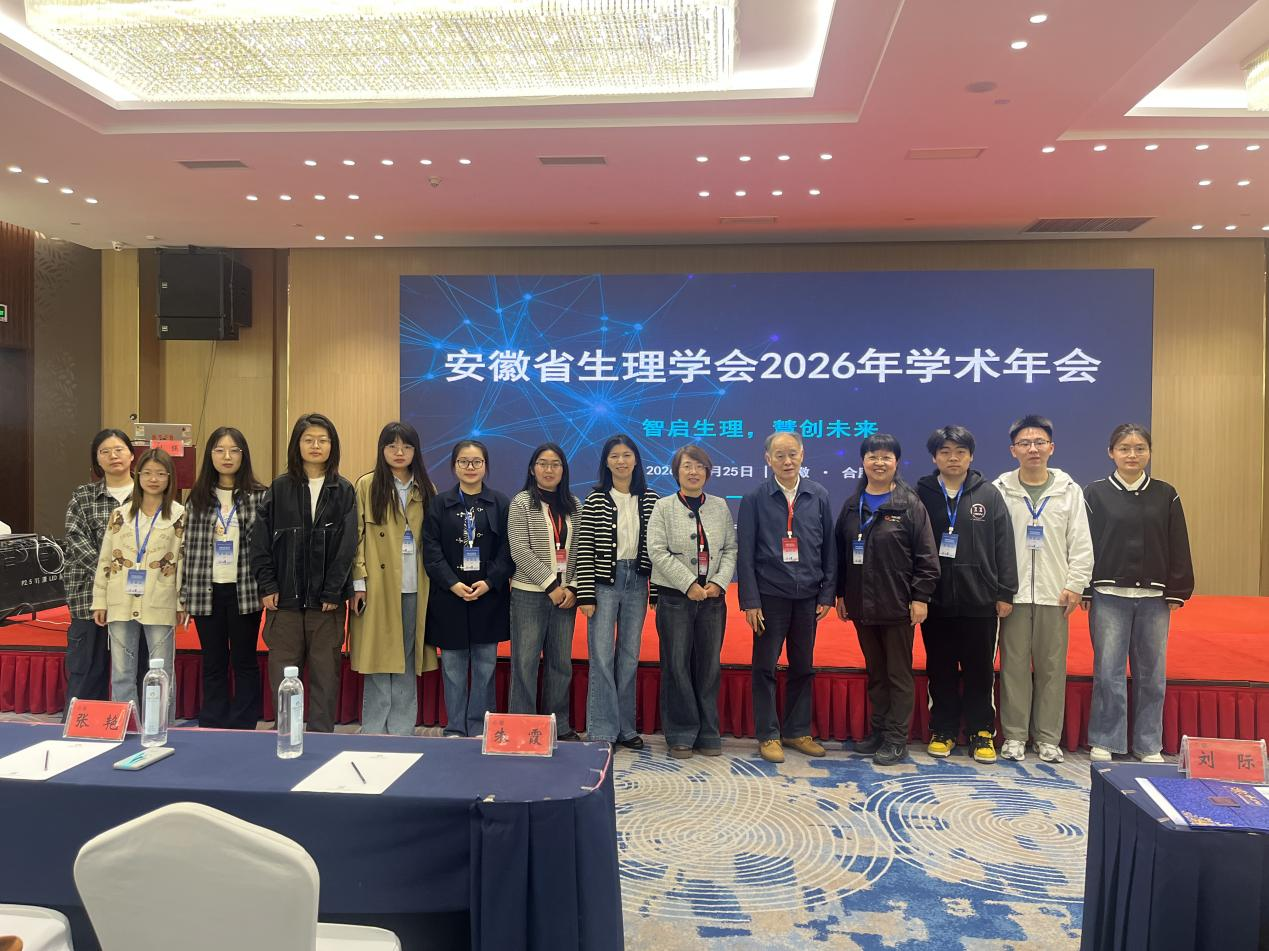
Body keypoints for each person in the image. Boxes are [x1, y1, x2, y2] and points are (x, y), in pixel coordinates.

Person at [1083, 424, 1193, 763]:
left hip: (1154, 599)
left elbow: (1178, 542)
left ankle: (1148, 744)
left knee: (1152, 675)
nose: (1132, 455)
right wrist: (1084, 586)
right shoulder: (1095, 493)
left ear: (1149, 452)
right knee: (1108, 672)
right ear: (1111, 453)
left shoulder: (1165, 494)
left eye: (1140, 448)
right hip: (1108, 595)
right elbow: (1084, 544)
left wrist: (1178, 589)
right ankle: (1106, 739)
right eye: (1124, 448)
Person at [834, 434, 939, 766]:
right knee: (876, 672)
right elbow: (840, 554)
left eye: (886, 457)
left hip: (898, 605)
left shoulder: (909, 504)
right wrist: (841, 593)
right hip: (862, 605)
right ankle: (878, 731)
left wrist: (920, 596)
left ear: (896, 462)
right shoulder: (852, 505)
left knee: (897, 674)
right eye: (872, 456)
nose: (879, 463)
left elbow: (927, 556)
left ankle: (896, 738)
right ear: (862, 462)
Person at [993, 414, 1093, 763]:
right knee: (1014, 667)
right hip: (1014, 594)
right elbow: (993, 544)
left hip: (1055, 593)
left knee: (1052, 668)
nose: (1032, 449)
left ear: (1051, 447)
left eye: (1039, 442)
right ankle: (1015, 736)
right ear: (1013, 450)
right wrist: (1000, 590)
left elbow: (1080, 541)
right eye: (1025, 443)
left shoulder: (1069, 490)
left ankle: (1048, 738)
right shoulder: (1000, 490)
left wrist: (1075, 584)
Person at [915, 426, 1017, 764]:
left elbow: (1004, 545)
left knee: (980, 670)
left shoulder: (989, 494)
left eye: (960, 452)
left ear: (971, 456)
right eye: (945, 452)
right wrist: (917, 592)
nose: (953, 458)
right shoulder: (921, 493)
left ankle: (981, 731)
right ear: (934, 457)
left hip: (980, 600)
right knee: (940, 668)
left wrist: (1005, 591)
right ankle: (943, 730)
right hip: (936, 599)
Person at [251, 413, 357, 733]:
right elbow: (260, 541)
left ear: (332, 446)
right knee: (284, 677)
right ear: (297, 445)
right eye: (308, 440)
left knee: (326, 677)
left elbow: (347, 546)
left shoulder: (343, 490)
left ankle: (322, 740)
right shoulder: (280, 488)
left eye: (323, 440)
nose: (315, 446)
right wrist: (267, 584)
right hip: (284, 601)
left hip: (326, 604)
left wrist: (333, 590)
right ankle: (287, 735)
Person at [737, 431, 837, 764]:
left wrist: (827, 592)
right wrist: (750, 601)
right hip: (769, 596)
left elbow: (830, 548)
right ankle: (768, 734)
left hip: (808, 596)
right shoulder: (755, 498)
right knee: (764, 666)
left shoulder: (818, 495)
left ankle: (797, 731)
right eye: (779, 455)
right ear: (768, 459)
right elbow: (745, 553)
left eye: (792, 453)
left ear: (802, 455)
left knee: (803, 666)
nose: (787, 461)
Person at [647, 445, 737, 759]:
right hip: (675, 598)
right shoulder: (663, 506)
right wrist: (687, 584)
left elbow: (730, 549)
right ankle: (681, 733)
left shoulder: (720, 506)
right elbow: (657, 551)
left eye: (699, 466)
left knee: (709, 666)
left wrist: (718, 582)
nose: (693, 472)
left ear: (707, 472)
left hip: (712, 599)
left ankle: (709, 732)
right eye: (687, 466)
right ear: (677, 472)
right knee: (676, 665)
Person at [350, 422, 438, 736]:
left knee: (408, 658)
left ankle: (402, 730)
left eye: (406, 446)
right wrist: (359, 582)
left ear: (416, 451)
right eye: (392, 446)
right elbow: (356, 538)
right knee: (377, 657)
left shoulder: (426, 488)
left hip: (416, 585)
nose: (399, 452)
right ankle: (374, 729)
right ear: (382, 449)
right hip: (377, 586)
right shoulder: (367, 485)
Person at [423, 439, 513, 738]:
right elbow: (431, 549)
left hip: (489, 597)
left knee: (486, 667)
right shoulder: (440, 504)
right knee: (453, 668)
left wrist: (490, 581)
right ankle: (455, 727)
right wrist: (452, 583)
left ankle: (480, 726)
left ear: (485, 466)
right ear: (454, 466)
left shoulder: (500, 503)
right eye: (464, 461)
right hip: (450, 597)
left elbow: (508, 549)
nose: (470, 467)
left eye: (476, 462)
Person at [574, 435, 659, 749]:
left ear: (636, 460)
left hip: (637, 582)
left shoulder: (651, 499)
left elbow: (658, 549)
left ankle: (626, 728)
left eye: (626, 455)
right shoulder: (596, 499)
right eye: (614, 456)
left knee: (629, 656)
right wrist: (585, 594)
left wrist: (655, 592)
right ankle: (602, 729)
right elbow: (584, 547)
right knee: (601, 655)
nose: (621, 461)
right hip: (603, 584)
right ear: (606, 462)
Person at [181, 427, 267, 729]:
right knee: (213, 661)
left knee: (244, 660)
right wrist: (184, 595)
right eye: (219, 450)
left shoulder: (259, 496)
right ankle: (213, 721)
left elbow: (266, 547)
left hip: (245, 590)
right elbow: (187, 549)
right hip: (206, 590)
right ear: (210, 455)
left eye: (234, 450)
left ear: (244, 455)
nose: (227, 456)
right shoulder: (197, 498)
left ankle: (245, 722)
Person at [91, 447, 185, 719]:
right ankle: (125, 724)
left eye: (161, 474)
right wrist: (100, 600)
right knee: (122, 671)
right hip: (120, 599)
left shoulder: (179, 515)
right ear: (138, 475)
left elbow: (183, 561)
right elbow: (106, 559)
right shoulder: (120, 515)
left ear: (170, 478)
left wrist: (182, 602)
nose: (153, 479)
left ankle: (160, 725)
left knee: (161, 670)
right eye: (147, 473)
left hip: (161, 599)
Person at [508, 443, 582, 739]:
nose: (549, 469)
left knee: (560, 664)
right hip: (529, 594)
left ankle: (557, 726)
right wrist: (550, 585)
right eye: (543, 463)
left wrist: (572, 587)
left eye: (555, 464)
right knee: (525, 662)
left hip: (566, 597)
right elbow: (519, 549)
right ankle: (522, 727)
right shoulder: (521, 502)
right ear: (532, 469)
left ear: (563, 470)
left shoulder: (574, 504)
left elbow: (581, 550)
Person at [62, 428, 135, 715]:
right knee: (86, 669)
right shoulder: (83, 496)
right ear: (97, 459)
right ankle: (80, 731)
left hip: (136, 598)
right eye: (105, 451)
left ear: (131, 455)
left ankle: (133, 726)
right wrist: (111, 575)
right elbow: (75, 539)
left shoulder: (149, 495)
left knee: (134, 668)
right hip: (89, 597)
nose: (113, 456)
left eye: (119, 449)